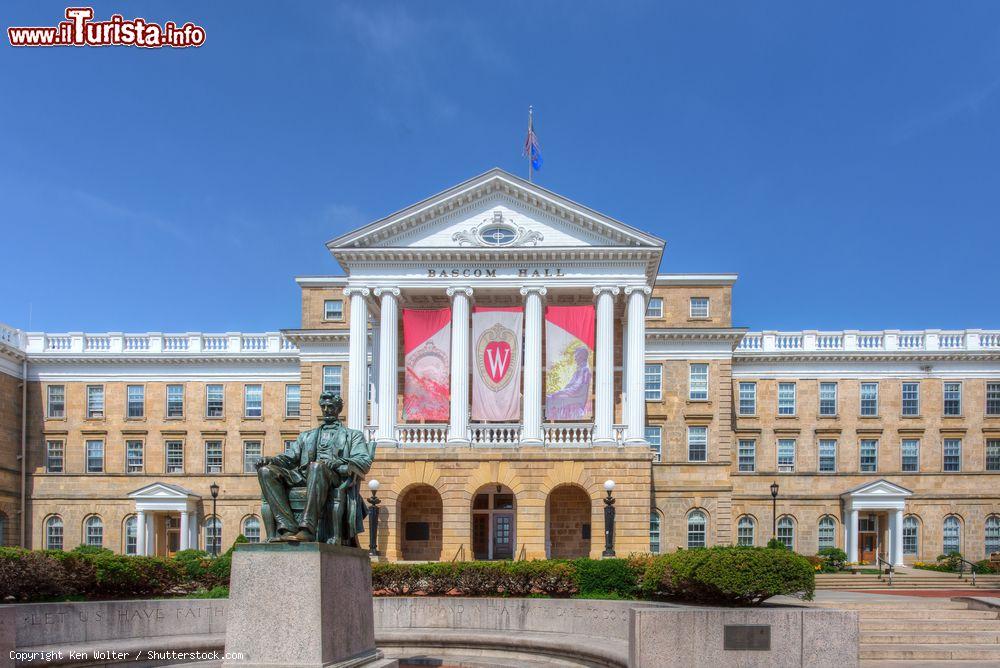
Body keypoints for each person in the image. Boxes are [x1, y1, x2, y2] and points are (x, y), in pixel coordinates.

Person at [255, 392, 373, 544]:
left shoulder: (353, 435)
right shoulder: (307, 436)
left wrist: (339, 462)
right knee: (266, 471)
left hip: (334, 478)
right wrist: (270, 460)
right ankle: (287, 527)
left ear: (338, 409)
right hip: (304, 476)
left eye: (330, 406)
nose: (326, 410)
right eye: (323, 406)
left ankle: (308, 529)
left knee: (317, 467)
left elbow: (363, 460)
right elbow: (290, 458)